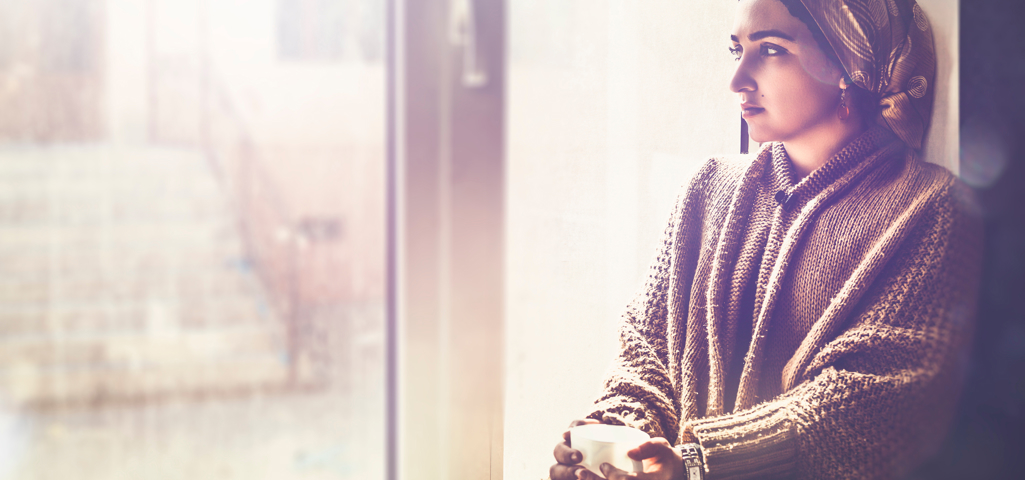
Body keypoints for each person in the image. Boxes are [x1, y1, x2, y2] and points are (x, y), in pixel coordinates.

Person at [550, 0, 981, 479]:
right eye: (737, 50)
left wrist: (701, 465)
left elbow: (877, 400)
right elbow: (644, 353)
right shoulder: (707, 188)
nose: (736, 80)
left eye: (771, 50)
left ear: (848, 64)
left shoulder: (931, 208)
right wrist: (617, 440)